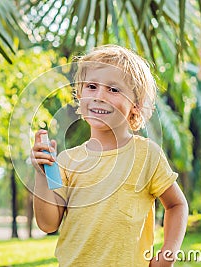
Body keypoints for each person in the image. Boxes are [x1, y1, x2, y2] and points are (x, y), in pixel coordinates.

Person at [31, 45, 188, 267]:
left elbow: (176, 205)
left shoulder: (147, 155)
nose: (100, 97)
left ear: (136, 105)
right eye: (92, 87)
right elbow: (48, 224)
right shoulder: (65, 162)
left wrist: (167, 256)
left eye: (113, 90)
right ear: (79, 95)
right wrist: (41, 174)